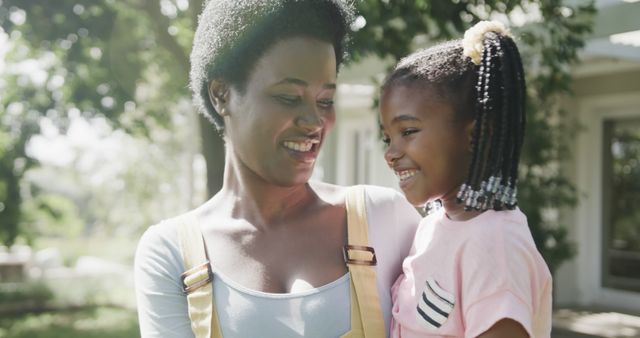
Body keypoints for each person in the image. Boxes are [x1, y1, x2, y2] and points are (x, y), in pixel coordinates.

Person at [134, 1, 421, 337]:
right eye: (288, 97)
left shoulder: (385, 219)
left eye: (325, 100)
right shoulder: (171, 254)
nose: (314, 121)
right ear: (221, 94)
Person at [379, 21, 552, 338]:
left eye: (408, 132)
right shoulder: (434, 223)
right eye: (387, 137)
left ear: (474, 135)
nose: (391, 153)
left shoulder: (496, 246)